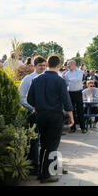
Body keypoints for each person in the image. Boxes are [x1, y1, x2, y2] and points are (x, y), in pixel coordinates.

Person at [27, 55, 74, 183]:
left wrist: (39, 105)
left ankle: (42, 173)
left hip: (41, 115)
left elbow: (29, 99)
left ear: (47, 64)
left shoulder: (37, 80)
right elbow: (66, 101)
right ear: (58, 65)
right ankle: (47, 175)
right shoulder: (60, 81)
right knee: (52, 146)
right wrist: (71, 117)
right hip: (55, 116)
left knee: (44, 145)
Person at [19, 55, 47, 175]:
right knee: (34, 140)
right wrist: (32, 108)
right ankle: (35, 166)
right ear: (34, 66)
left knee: (46, 140)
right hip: (33, 113)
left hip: (47, 113)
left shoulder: (48, 78)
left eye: (44, 65)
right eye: (40, 65)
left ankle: (45, 166)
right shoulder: (28, 79)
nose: (42, 67)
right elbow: (21, 97)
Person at [63, 61, 86, 134]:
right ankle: (72, 128)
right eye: (67, 65)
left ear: (73, 65)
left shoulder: (79, 72)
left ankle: (83, 127)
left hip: (78, 92)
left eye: (69, 65)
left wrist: (69, 79)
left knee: (80, 111)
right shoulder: (67, 73)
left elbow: (77, 80)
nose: (68, 66)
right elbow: (66, 83)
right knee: (71, 111)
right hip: (70, 93)